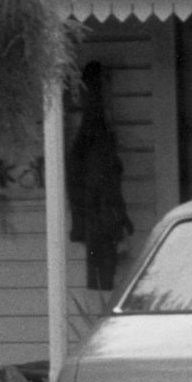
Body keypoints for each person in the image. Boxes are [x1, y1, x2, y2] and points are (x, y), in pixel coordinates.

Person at [67, 62, 134, 291]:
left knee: (101, 283)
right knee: (103, 285)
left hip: (93, 222)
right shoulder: (97, 142)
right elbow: (104, 187)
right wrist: (119, 226)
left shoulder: (88, 140)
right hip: (100, 225)